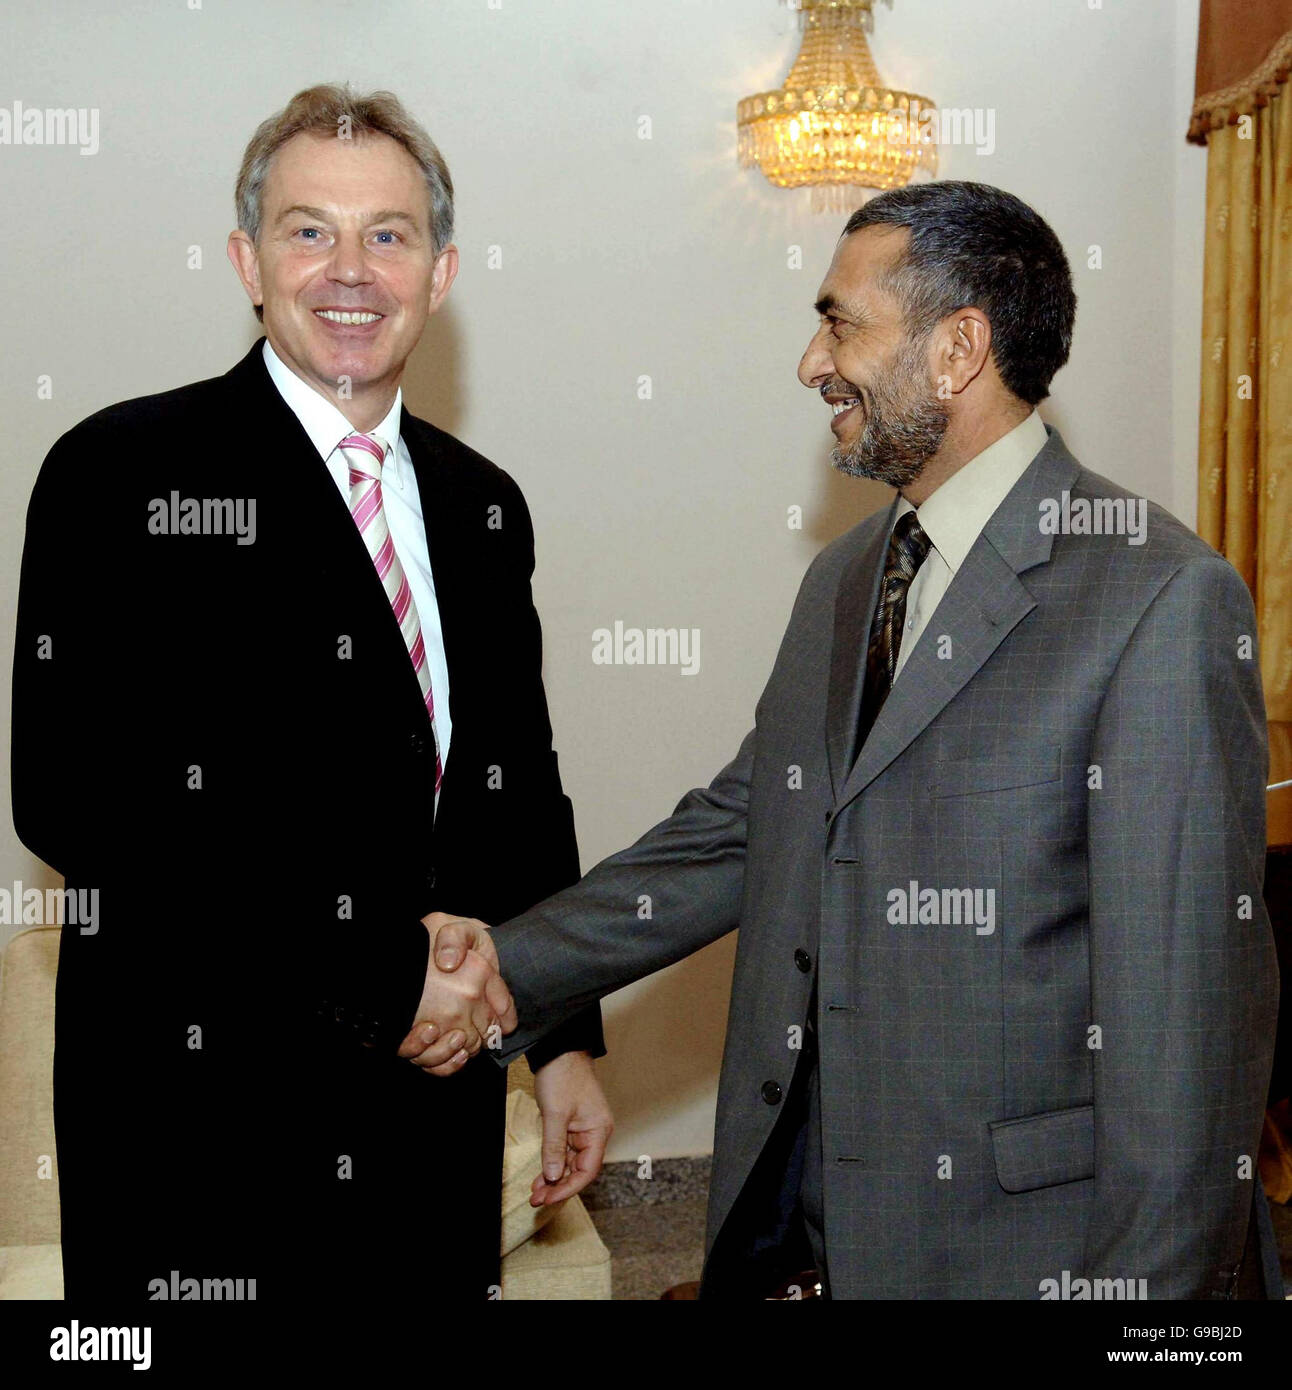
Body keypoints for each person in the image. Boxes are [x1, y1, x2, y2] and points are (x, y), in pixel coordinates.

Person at [403, 182, 1283, 1300]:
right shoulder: (844, 578)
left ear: (957, 348)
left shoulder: (1156, 598)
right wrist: (506, 965)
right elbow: (739, 829)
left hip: (1035, 1258)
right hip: (819, 1233)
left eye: (839, 321)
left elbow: (1187, 1041)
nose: (811, 364)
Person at [11, 83, 610, 1304]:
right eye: (308, 230)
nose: (351, 270)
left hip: (425, 1112)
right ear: (247, 260)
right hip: (199, 1117)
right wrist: (386, 973)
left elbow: (515, 790)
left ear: (439, 273)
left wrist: (560, 1039)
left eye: (388, 234)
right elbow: (76, 804)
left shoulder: (482, 503)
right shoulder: (118, 472)